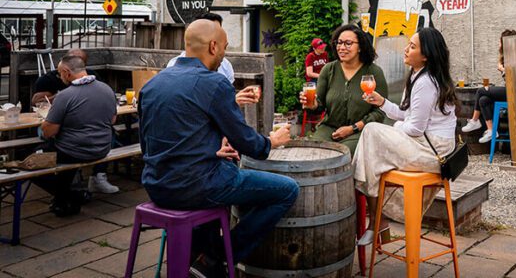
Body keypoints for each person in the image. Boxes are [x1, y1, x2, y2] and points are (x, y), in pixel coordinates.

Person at [139, 19, 297, 276]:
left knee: (219, 179)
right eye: (224, 47)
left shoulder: (153, 84)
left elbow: (150, 144)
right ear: (213, 46)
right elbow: (245, 141)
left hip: (157, 186)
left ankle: (198, 259)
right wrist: (271, 142)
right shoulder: (214, 83)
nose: (224, 53)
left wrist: (209, 148)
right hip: (198, 186)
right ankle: (217, 257)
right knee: (287, 190)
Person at [353, 27, 457, 245]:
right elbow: (408, 115)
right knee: (373, 149)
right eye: (408, 44)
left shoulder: (426, 82)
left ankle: (373, 215)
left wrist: (396, 126)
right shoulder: (418, 76)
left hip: (433, 151)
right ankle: (376, 221)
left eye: (412, 46)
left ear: (425, 55)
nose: (406, 49)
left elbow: (414, 129)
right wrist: (382, 102)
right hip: (429, 144)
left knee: (371, 132)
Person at [34, 54, 117, 216]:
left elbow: (49, 131)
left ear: (66, 72)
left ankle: (71, 195)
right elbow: (113, 120)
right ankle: (63, 201)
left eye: (60, 73)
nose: (59, 76)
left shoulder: (65, 96)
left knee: (30, 160)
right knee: (63, 152)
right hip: (102, 148)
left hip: (74, 151)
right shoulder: (107, 89)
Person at [300, 24, 388, 155]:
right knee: (314, 153)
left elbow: (380, 111)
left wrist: (352, 128)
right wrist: (312, 104)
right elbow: (320, 104)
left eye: (348, 43)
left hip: (361, 130)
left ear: (360, 47)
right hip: (329, 128)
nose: (342, 47)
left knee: (342, 155)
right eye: (339, 43)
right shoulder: (329, 70)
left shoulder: (374, 72)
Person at [460, 29, 516, 143]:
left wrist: (502, 69)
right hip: (509, 90)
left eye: (500, 42)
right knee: (483, 100)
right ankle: (491, 130)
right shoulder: (506, 58)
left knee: (481, 90)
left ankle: (475, 120)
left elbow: (514, 79)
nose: (498, 44)